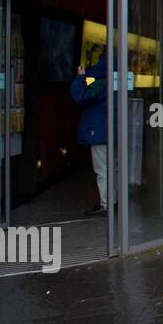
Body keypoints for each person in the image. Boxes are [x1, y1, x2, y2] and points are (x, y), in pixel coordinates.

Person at [70, 61, 108, 216]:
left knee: (102, 169)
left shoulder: (97, 79)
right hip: (117, 128)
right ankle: (114, 200)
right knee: (114, 167)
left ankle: (106, 204)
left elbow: (80, 97)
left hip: (99, 130)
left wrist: (80, 77)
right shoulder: (120, 74)